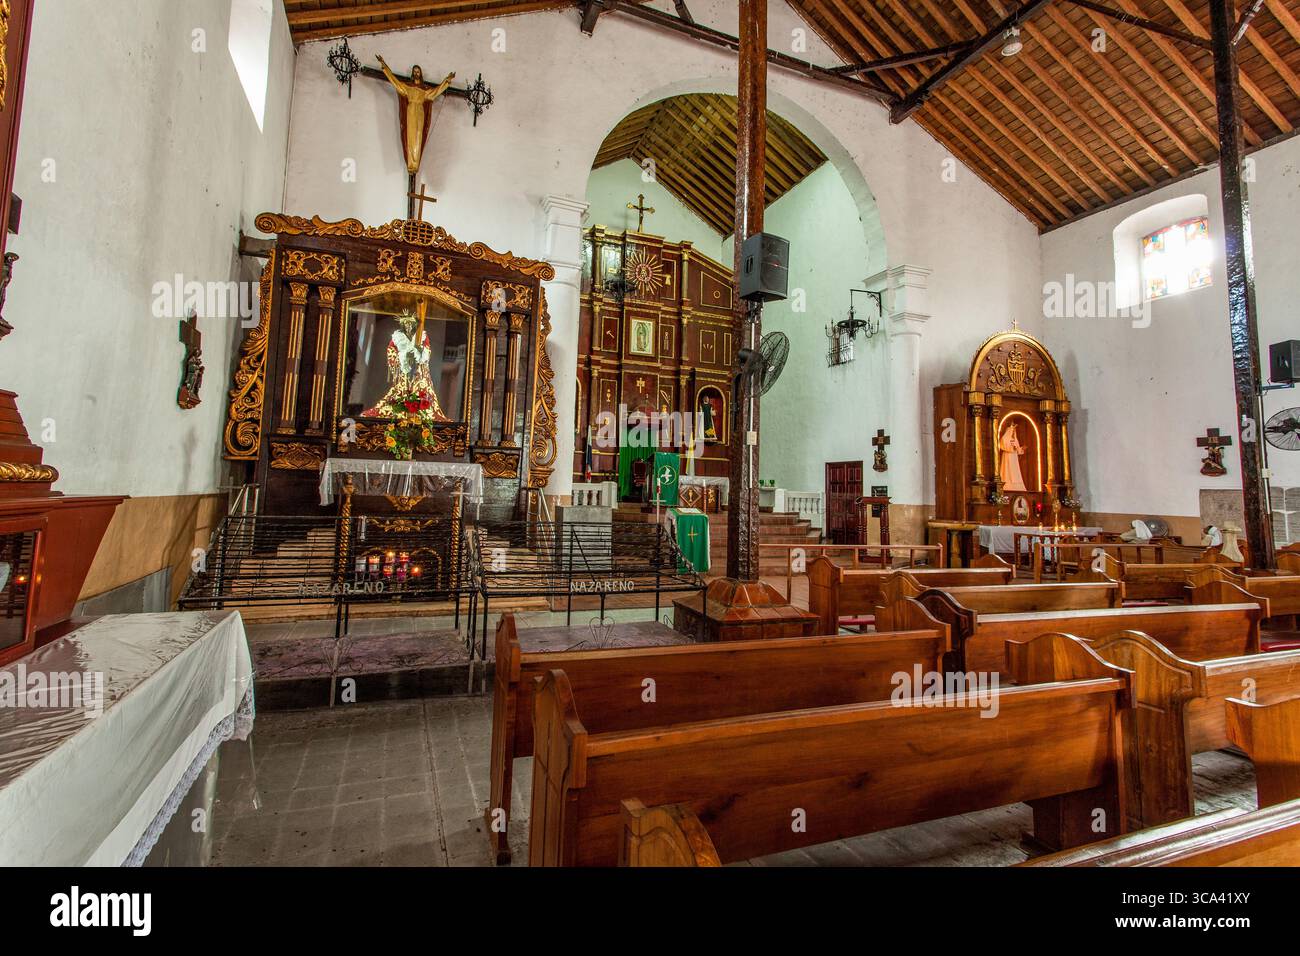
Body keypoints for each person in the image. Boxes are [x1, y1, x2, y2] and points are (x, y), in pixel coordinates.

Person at [999, 421, 1027, 492]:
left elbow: (1017, 449)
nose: (1013, 432)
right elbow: (1003, 446)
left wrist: (1021, 449)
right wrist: (1011, 448)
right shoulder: (1005, 438)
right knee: (1008, 471)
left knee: (1015, 472)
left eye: (1014, 431)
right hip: (1008, 457)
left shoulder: (1015, 439)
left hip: (1014, 458)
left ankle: (1017, 486)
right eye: (1012, 430)